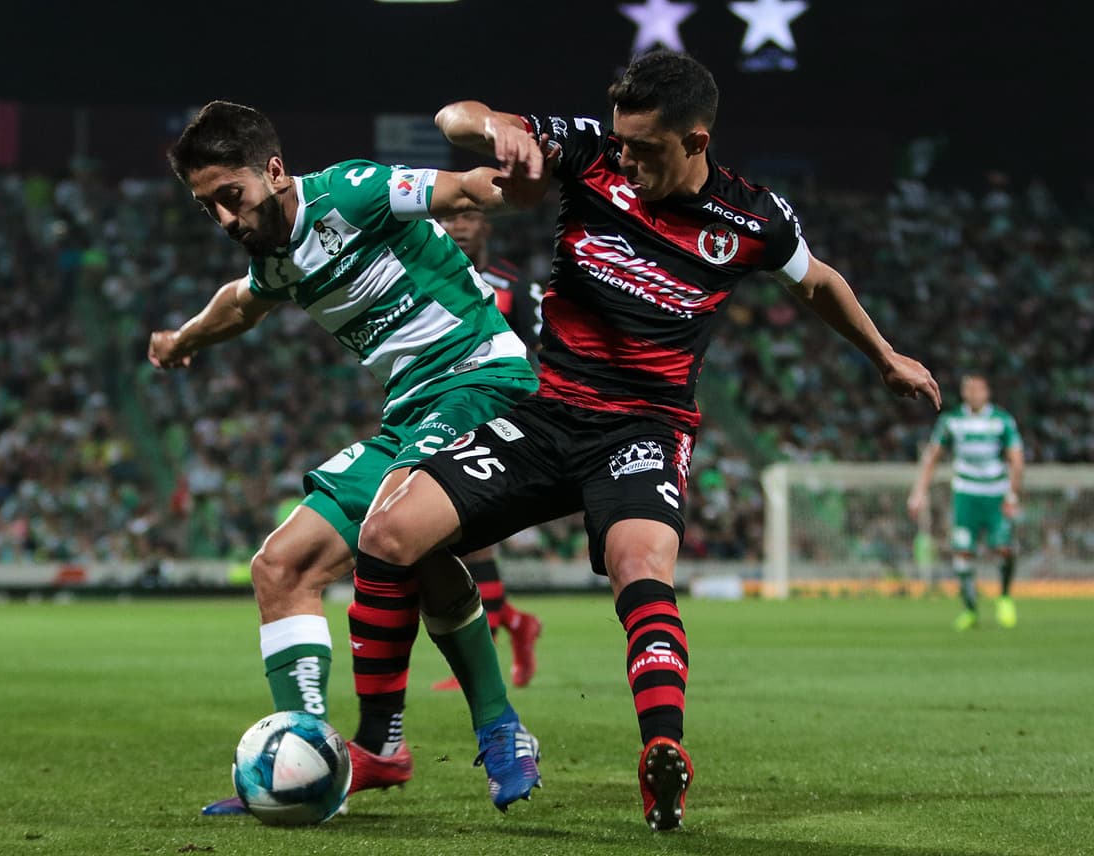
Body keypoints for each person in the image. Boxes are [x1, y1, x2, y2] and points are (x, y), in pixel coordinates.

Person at [342, 48, 941, 831]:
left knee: (638, 568)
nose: (627, 158)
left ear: (696, 141)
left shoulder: (751, 217)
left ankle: (665, 757)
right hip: (545, 413)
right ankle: (380, 744)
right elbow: (455, 117)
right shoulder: (592, 151)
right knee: (387, 533)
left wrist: (886, 356)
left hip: (645, 427)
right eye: (622, 142)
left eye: (647, 148)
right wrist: (495, 128)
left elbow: (819, 281)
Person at [147, 101, 544, 814]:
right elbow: (241, 304)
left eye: (230, 197)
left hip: (482, 379)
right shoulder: (274, 257)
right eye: (208, 208)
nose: (225, 219)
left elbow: (459, 190)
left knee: (396, 521)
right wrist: (183, 340)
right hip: (410, 412)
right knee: (281, 566)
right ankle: (311, 757)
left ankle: (497, 730)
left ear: (272, 170)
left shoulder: (350, 191)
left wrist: (516, 176)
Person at [432, 209, 544, 691]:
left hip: (497, 412)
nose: (458, 225)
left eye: (468, 217)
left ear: (486, 227)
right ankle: (513, 624)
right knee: (453, 540)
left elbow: (541, 344)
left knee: (468, 536)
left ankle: (490, 647)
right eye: (449, 216)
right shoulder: (427, 271)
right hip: (440, 408)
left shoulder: (512, 283)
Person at [908, 374, 1024, 630]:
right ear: (963, 393)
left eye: (979, 389)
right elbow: (932, 458)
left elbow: (1016, 459)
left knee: (1003, 548)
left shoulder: (1001, 421)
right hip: (966, 494)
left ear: (987, 392)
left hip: (995, 493)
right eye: (969, 389)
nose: (974, 394)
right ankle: (970, 609)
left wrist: (1013, 495)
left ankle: (1004, 597)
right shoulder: (952, 422)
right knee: (962, 552)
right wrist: (919, 492)